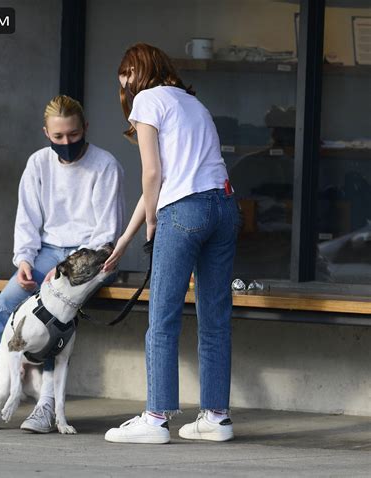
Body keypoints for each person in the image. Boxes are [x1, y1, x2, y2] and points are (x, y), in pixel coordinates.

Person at [0, 95, 125, 432]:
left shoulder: (105, 165)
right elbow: (27, 220)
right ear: (46, 133)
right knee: (2, 308)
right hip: (47, 252)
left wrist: (67, 268)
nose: (66, 143)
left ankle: (46, 408)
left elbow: (105, 234)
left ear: (85, 128)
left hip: (88, 258)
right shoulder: (39, 164)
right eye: (58, 137)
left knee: (58, 318)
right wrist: (24, 260)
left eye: (73, 134)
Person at [103, 43, 239, 444]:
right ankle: (216, 418)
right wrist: (128, 236)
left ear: (136, 72)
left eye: (125, 76)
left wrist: (151, 220)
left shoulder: (146, 100)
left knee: (162, 317)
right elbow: (167, 183)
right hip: (224, 207)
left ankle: (156, 417)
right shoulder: (194, 104)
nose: (124, 85)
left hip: (184, 212)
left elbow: (153, 175)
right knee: (214, 318)